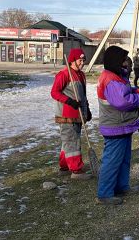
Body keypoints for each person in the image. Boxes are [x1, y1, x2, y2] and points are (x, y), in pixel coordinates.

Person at [96, 46, 139, 205]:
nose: (125, 63)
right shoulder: (110, 80)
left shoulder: (116, 76)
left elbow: (125, 90)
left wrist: (136, 90)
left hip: (122, 125)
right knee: (112, 161)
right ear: (115, 60)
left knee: (123, 159)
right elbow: (123, 101)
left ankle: (121, 186)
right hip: (115, 127)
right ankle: (104, 194)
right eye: (122, 60)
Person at [50, 48, 92, 180]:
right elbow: (54, 92)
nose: (82, 63)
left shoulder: (81, 75)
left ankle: (64, 167)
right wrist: (69, 101)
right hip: (66, 115)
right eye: (80, 60)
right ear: (72, 60)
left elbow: (83, 95)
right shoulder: (64, 74)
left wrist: (87, 110)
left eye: (83, 60)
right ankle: (76, 171)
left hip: (78, 114)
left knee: (67, 142)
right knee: (72, 142)